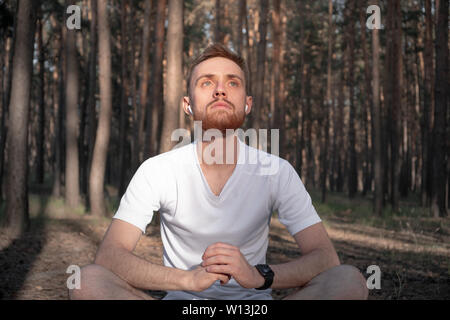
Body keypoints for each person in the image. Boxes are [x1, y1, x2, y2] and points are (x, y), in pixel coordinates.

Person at [69, 43, 368, 300]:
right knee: (86, 280)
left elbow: (325, 258)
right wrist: (187, 280)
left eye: (233, 83)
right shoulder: (157, 170)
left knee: (348, 281)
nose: (221, 90)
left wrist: (258, 275)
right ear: (188, 105)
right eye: (207, 82)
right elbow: (110, 256)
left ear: (247, 104)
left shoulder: (277, 171)